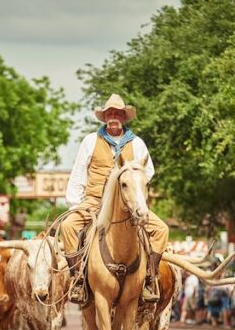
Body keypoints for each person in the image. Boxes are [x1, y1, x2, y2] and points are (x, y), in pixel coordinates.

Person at [59, 94, 168, 304]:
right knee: (69, 226)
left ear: (124, 117)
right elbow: (78, 173)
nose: (113, 117)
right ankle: (78, 279)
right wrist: (75, 204)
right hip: (94, 201)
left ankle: (148, 278)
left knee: (161, 229)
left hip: (127, 204)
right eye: (109, 113)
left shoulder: (137, 143)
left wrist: (133, 191)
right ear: (104, 117)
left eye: (117, 113)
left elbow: (148, 171)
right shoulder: (91, 141)